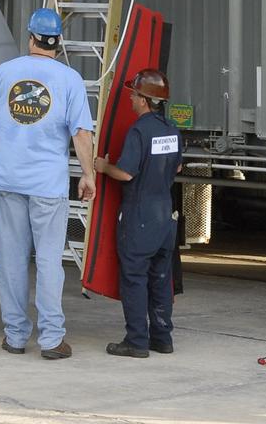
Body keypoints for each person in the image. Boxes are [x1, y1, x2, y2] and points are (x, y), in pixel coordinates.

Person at [0, 7, 95, 360]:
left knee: (11, 260)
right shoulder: (70, 80)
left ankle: (15, 336)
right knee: (49, 261)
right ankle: (52, 340)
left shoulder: (7, 72)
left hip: (8, 179)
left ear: (30, 38)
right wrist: (89, 174)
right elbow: (82, 133)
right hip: (48, 185)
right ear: (58, 42)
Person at [94, 68, 182, 357]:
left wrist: (103, 166)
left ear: (144, 100)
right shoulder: (172, 130)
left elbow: (126, 173)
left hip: (140, 216)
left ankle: (136, 341)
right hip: (164, 216)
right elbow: (177, 167)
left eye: (134, 94)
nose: (131, 99)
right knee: (160, 278)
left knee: (134, 278)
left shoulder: (139, 130)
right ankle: (162, 338)